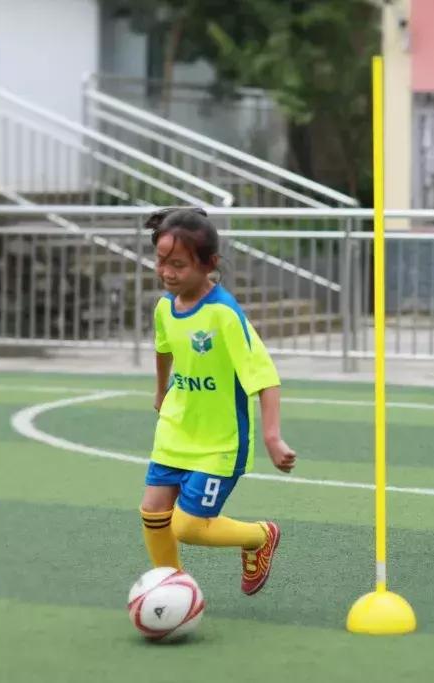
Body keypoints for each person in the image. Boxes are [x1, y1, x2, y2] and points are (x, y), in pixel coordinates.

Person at [139, 207, 297, 595]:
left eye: (178, 264)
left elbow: (264, 376)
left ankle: (258, 536)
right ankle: (173, 588)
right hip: (176, 430)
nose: (167, 272)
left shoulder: (224, 314)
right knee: (154, 512)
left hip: (219, 443)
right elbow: (164, 348)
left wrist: (273, 437)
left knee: (189, 526)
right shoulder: (165, 306)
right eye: (161, 261)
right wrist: (161, 391)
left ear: (209, 264)